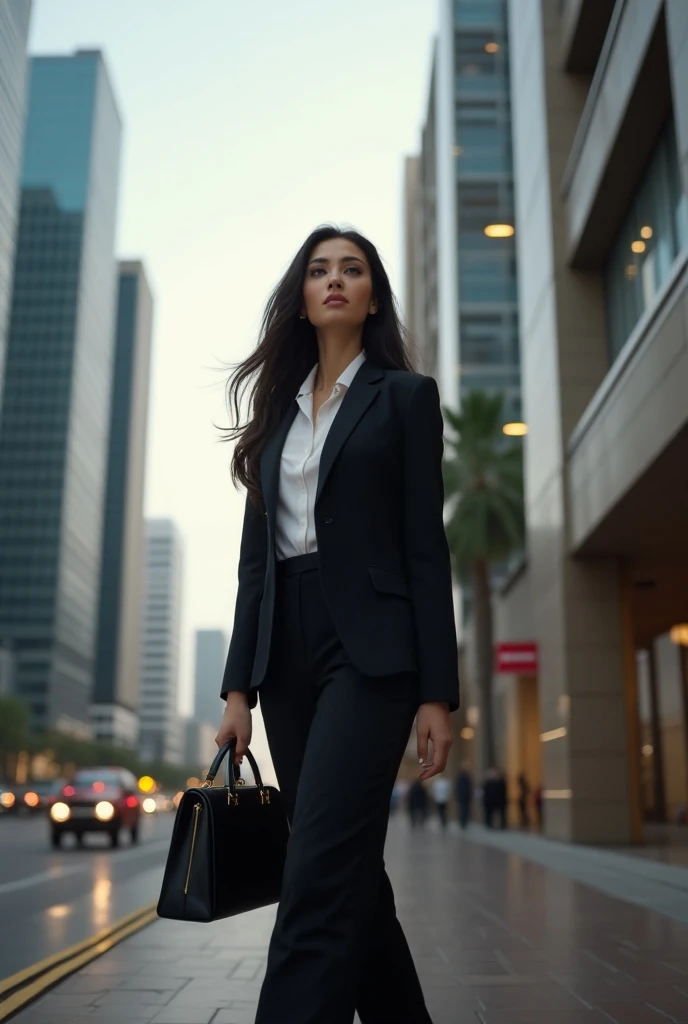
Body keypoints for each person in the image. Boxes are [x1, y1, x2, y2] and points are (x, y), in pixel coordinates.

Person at [215, 226, 460, 1024]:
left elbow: (427, 550)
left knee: (316, 864)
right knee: (350, 866)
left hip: (372, 653)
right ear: (302, 297)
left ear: (371, 296)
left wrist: (437, 692)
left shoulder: (406, 398)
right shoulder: (274, 417)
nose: (334, 281)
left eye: (351, 270)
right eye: (319, 270)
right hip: (286, 649)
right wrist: (237, 691)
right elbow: (256, 565)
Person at [455, 763, 473, 829]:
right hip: (463, 797)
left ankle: (464, 822)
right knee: (463, 810)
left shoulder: (466, 778)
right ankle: (463, 822)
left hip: (464, 797)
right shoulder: (462, 778)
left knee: (464, 810)